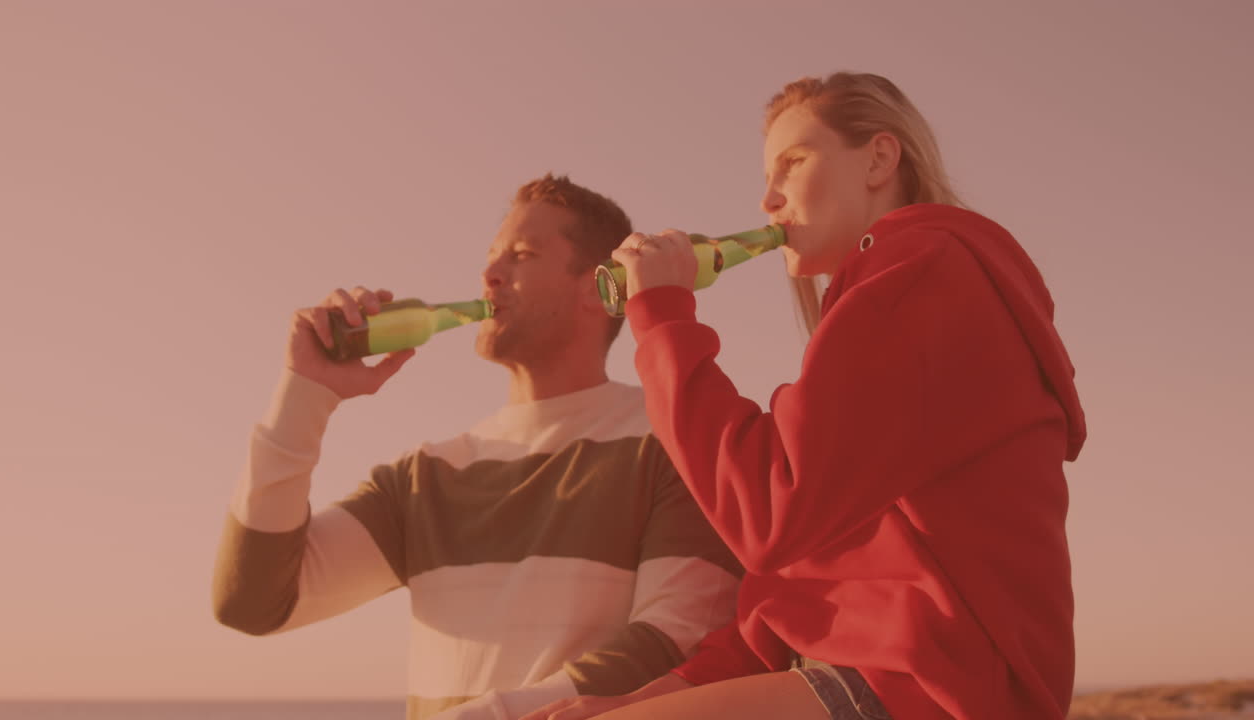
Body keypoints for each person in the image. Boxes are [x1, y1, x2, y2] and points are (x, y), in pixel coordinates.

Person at [523, 73, 1087, 720]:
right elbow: (796, 588)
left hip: (935, 690)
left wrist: (663, 317)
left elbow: (768, 508)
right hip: (888, 678)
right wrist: (652, 696)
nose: (768, 198)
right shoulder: (896, 296)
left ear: (879, 158)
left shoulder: (926, 272)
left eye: (793, 162)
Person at [212, 174, 742, 720]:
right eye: (492, 257)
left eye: (522, 255)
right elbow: (251, 602)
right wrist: (305, 393)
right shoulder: (424, 477)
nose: (489, 274)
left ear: (595, 286)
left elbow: (676, 644)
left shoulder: (674, 436)